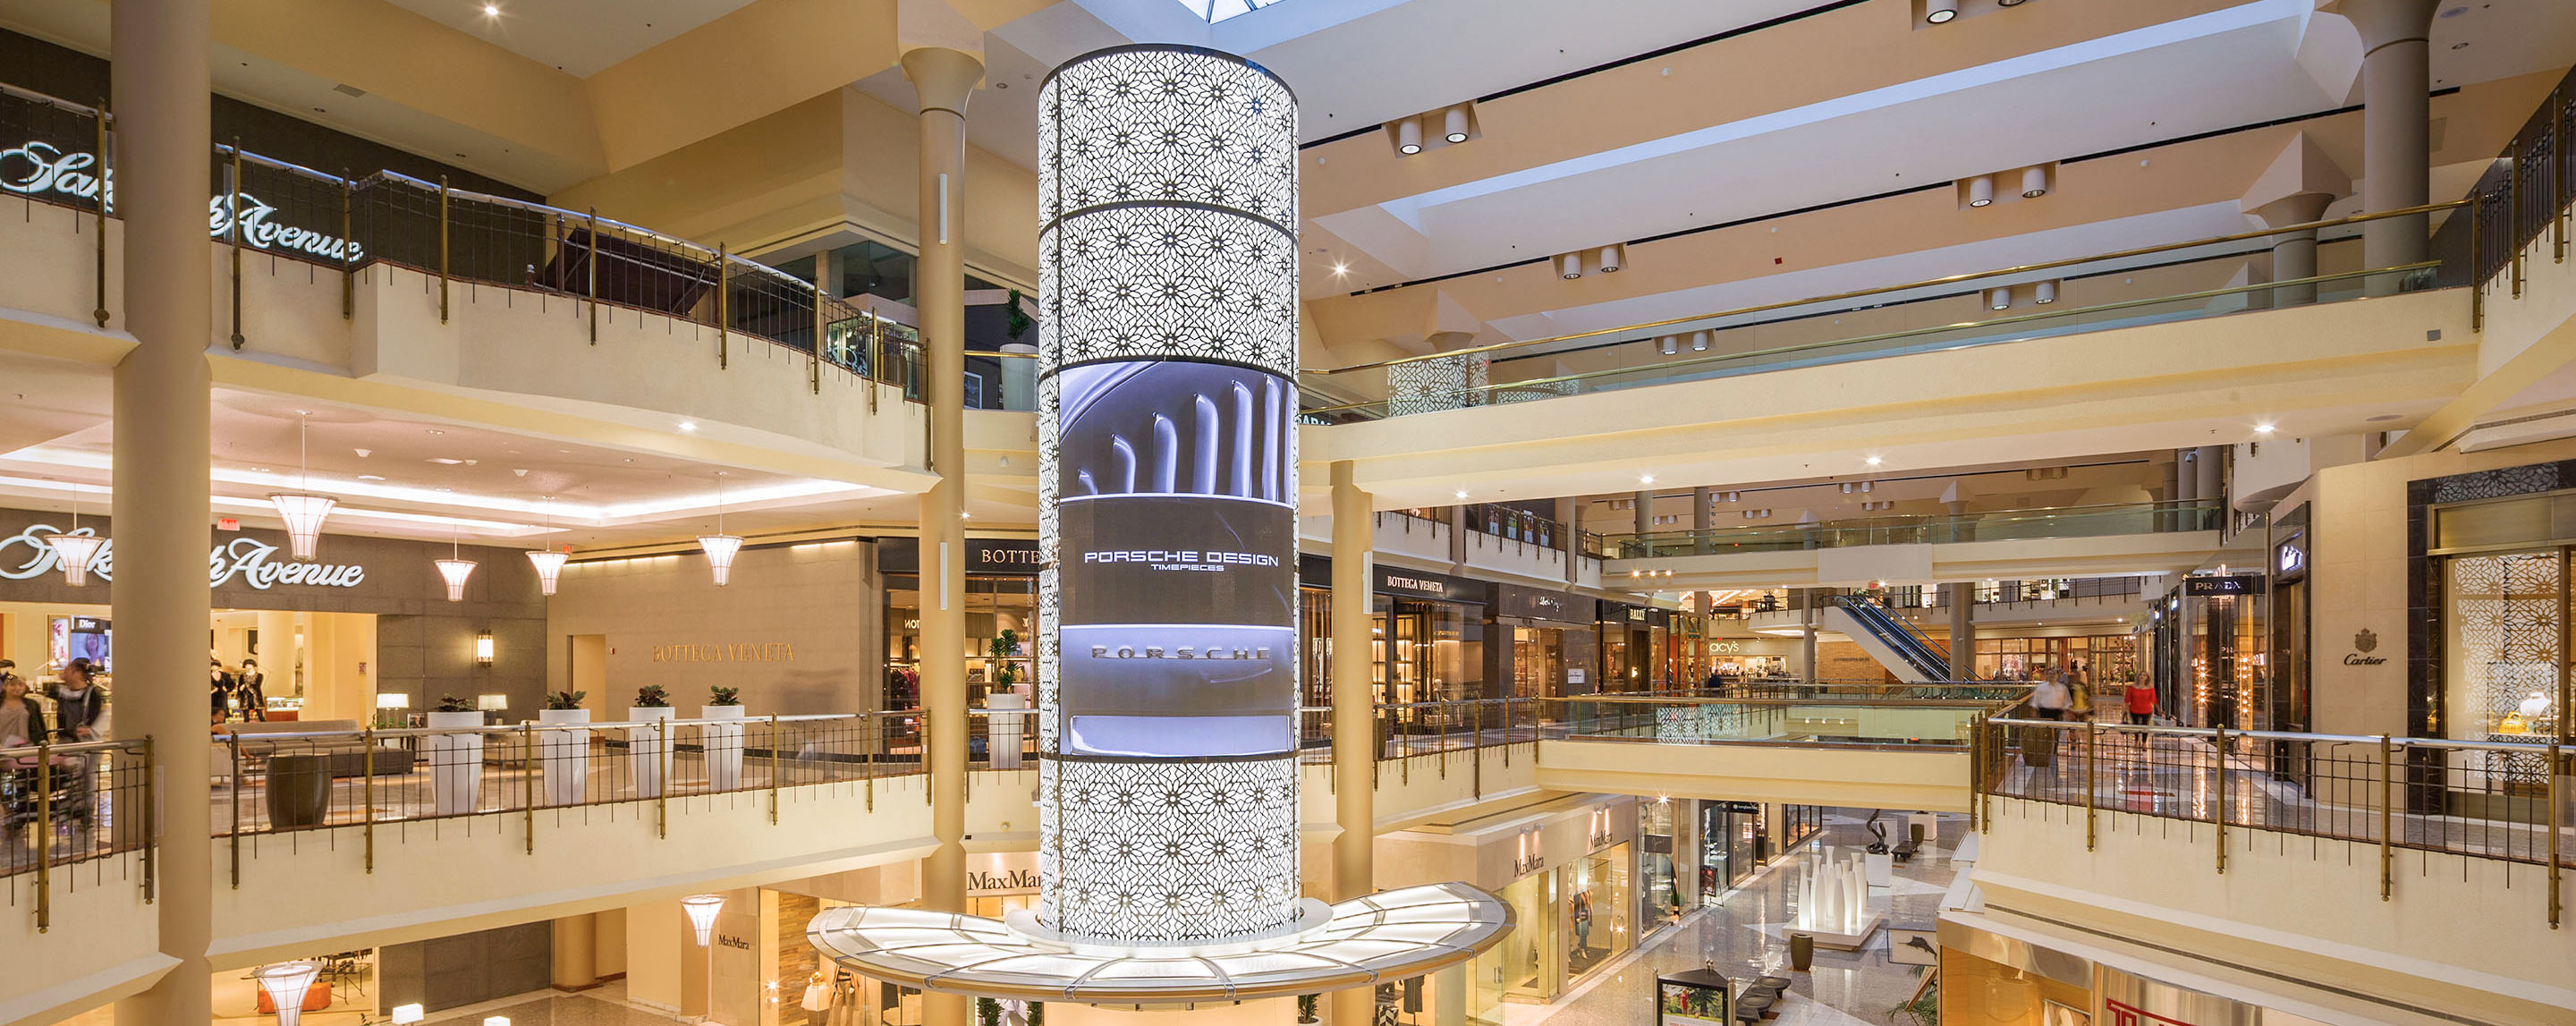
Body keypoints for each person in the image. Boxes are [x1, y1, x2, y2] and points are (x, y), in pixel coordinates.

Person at [51, 658, 106, 742]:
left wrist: (89, 730)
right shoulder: (60, 691)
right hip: (64, 740)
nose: (64, 673)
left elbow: (98, 719)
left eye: (68, 670)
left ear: (77, 673)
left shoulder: (92, 694)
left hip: (85, 743)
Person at [0, 672, 41, 747]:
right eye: (12, 685)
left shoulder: (32, 704)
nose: (17, 688)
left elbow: (39, 728)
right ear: (4, 687)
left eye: (21, 685)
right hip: (2, 748)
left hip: (27, 747)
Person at [236, 657, 268, 722]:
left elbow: (257, 685)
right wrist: (240, 691)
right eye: (247, 668)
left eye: (250, 668)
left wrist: (246, 685)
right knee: (246, 716)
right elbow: (239, 686)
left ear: (253, 667)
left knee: (260, 715)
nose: (248, 670)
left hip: (255, 696)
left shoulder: (259, 675)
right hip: (245, 696)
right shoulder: (242, 676)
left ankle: (265, 727)